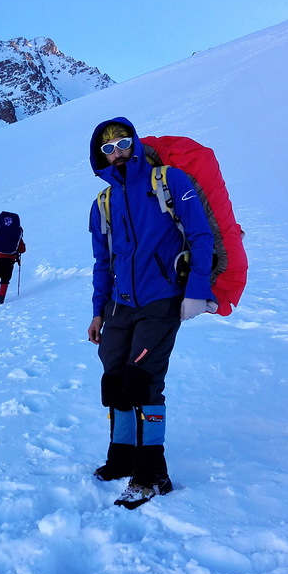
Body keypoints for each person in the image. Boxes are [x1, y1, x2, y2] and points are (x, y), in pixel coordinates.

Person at [87, 117, 215, 509]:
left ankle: (152, 473)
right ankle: (122, 455)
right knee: (114, 379)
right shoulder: (103, 203)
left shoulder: (169, 181)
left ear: (135, 143)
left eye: (123, 143)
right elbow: (102, 261)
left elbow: (201, 235)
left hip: (162, 300)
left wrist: (196, 292)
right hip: (119, 305)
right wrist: (97, 312)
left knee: (142, 381)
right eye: (108, 148)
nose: (117, 152)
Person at [0, 231, 25, 305]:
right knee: (5, 279)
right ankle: (0, 299)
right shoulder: (17, 235)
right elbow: (22, 250)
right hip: (10, 260)